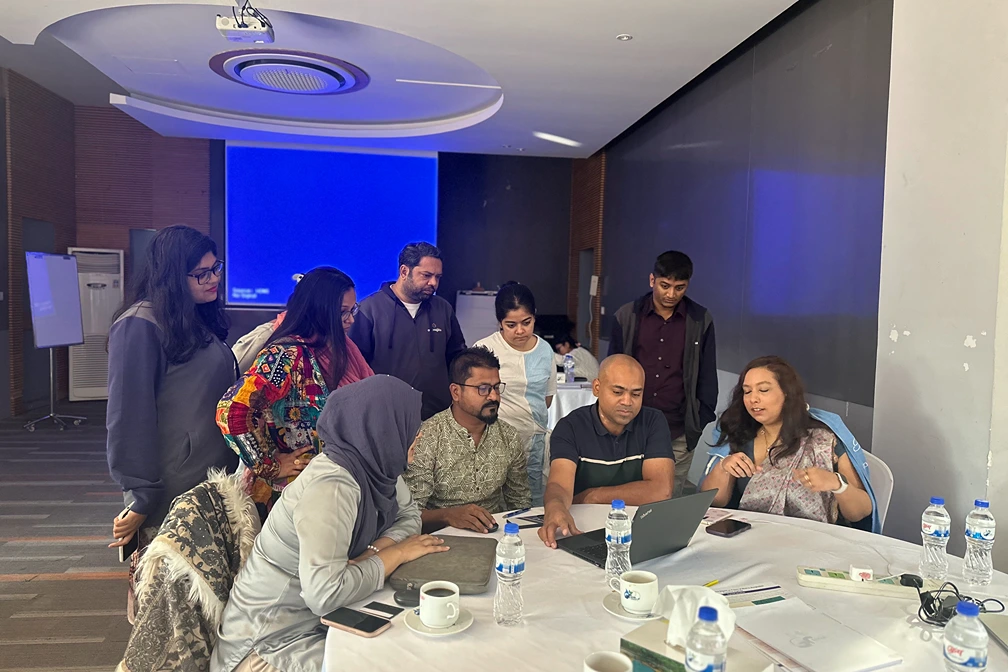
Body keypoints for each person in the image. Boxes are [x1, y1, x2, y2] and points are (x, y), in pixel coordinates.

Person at [211, 376, 450, 672]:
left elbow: (410, 516)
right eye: (412, 425)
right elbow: (325, 595)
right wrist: (396, 554)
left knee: (413, 648)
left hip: (321, 622)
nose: (419, 435)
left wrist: (373, 554)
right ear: (384, 430)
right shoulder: (332, 487)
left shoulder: (376, 468)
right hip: (269, 645)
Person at [105, 225, 239, 621]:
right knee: (166, 614)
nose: (214, 278)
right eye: (202, 273)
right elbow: (128, 418)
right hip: (168, 492)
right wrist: (141, 495)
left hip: (207, 483)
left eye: (216, 268)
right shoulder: (139, 325)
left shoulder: (194, 319)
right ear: (170, 276)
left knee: (201, 608)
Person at [217, 267, 373, 515]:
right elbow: (232, 410)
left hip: (332, 487)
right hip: (292, 497)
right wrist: (269, 466)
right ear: (318, 311)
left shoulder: (340, 347)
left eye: (352, 310)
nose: (351, 320)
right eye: (342, 313)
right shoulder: (286, 356)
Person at [700, 356, 872, 526]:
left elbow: (861, 512)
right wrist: (723, 468)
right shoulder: (740, 434)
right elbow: (714, 503)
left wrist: (837, 484)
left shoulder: (823, 439)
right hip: (750, 538)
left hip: (811, 543)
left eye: (764, 390)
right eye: (747, 391)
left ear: (787, 393)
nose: (753, 399)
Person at [609, 250, 717, 497]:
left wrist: (699, 420)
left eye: (679, 288)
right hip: (629, 425)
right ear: (652, 280)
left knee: (668, 500)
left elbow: (708, 374)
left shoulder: (700, 320)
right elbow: (611, 371)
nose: (671, 294)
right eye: (665, 285)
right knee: (624, 497)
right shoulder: (627, 316)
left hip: (678, 428)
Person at [539, 355, 674, 548]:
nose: (627, 401)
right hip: (585, 530)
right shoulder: (570, 427)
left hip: (640, 528)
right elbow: (559, 485)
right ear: (596, 388)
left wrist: (592, 496)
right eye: (618, 392)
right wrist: (555, 506)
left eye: (636, 394)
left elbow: (661, 490)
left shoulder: (653, 422)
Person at [404, 346, 531, 533]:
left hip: (497, 536)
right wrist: (448, 515)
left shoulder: (509, 436)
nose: (494, 396)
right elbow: (409, 514)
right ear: (456, 392)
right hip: (441, 539)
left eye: (496, 387)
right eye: (483, 389)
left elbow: (520, 504)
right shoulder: (427, 437)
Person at [348, 242, 466, 420]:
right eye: (426, 275)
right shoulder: (369, 310)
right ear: (404, 272)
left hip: (437, 417)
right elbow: (354, 367)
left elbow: (457, 358)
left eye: (438, 277)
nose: (433, 283)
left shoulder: (443, 309)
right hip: (385, 417)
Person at [475, 283, 556, 505]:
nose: (520, 331)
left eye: (526, 323)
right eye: (511, 325)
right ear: (499, 322)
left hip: (534, 443)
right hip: (494, 443)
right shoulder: (484, 350)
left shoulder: (545, 351)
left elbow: (546, 400)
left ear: (534, 317)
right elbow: (473, 403)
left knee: (532, 504)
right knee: (495, 505)